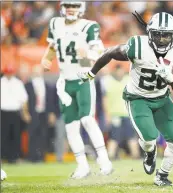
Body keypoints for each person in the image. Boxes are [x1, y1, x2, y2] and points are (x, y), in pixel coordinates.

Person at [79, 12, 173, 186]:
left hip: (162, 98)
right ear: (150, 33)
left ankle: (162, 176)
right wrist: (92, 73)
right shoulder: (137, 46)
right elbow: (110, 53)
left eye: (166, 35)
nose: (161, 40)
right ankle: (150, 153)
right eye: (157, 34)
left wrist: (171, 79)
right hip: (138, 98)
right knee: (149, 139)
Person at [41, 1, 112, 179]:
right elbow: (53, 46)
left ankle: (104, 160)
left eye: (74, 5)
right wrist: (47, 59)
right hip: (64, 82)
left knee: (87, 120)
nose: (70, 9)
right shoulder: (55, 23)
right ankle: (82, 166)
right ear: (62, 7)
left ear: (81, 8)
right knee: (71, 127)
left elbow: (99, 51)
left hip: (82, 79)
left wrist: (87, 56)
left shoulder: (89, 26)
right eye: (67, 5)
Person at [103, 64, 140, 160]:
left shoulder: (129, 80)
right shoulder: (108, 81)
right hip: (115, 114)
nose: (120, 73)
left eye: (121, 71)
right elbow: (105, 99)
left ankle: (135, 155)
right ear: (114, 71)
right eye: (118, 71)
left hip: (128, 113)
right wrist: (107, 113)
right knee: (114, 136)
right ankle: (110, 156)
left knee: (131, 136)